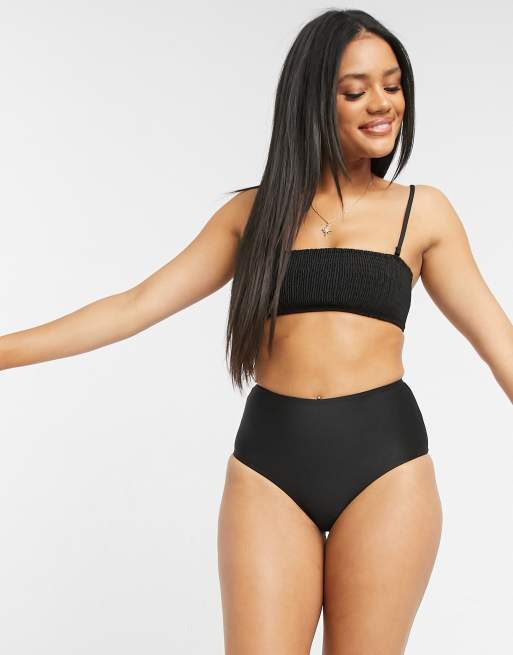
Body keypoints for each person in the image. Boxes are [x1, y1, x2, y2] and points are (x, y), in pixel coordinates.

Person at [2, 8, 512, 655]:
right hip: (269, 468)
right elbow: (135, 305)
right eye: (355, 91)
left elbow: (500, 344)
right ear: (312, 99)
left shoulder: (424, 210)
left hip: (387, 468)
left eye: (392, 85)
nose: (382, 104)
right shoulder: (253, 213)